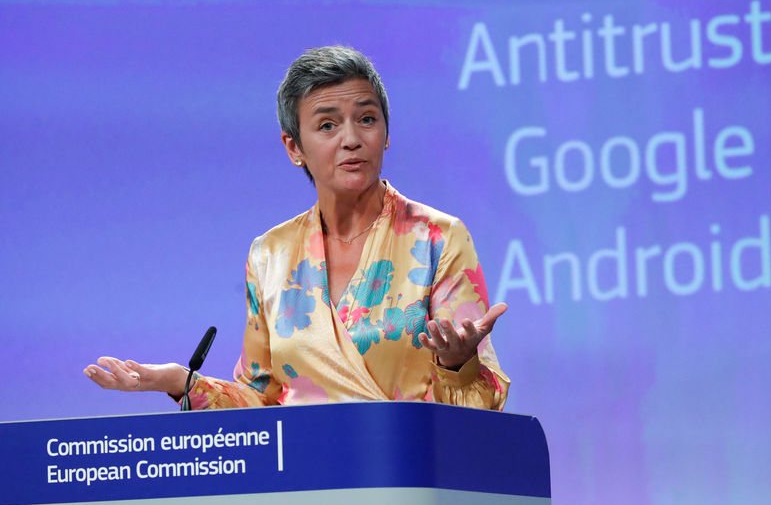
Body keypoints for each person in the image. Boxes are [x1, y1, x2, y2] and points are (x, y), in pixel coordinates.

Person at [84, 46, 510, 410]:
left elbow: (483, 400)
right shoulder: (270, 253)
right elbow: (260, 399)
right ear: (294, 148)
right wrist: (179, 381)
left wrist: (458, 363)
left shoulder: (437, 237)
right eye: (327, 125)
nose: (351, 139)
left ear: (386, 132)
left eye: (366, 119)